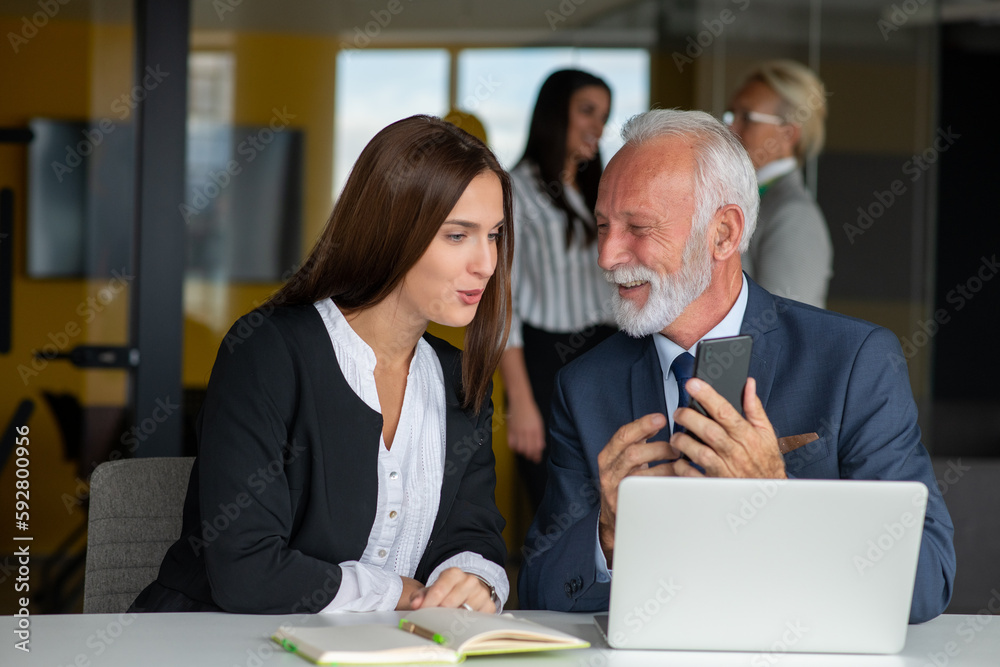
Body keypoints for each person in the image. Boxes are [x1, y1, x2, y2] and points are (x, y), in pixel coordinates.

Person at [518, 109, 955, 624]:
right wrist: (607, 535)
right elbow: (541, 592)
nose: (608, 256)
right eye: (604, 226)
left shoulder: (854, 362)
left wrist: (778, 504)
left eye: (638, 228)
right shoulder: (584, 385)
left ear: (724, 234)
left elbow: (928, 580)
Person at [130, 115, 513, 614]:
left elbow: (473, 532)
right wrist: (399, 593)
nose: (486, 263)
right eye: (458, 235)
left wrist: (472, 581)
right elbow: (246, 570)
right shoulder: (266, 353)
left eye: (495, 234)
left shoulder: (461, 379)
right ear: (393, 229)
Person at [501, 69, 618, 511]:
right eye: (587, 111)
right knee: (559, 510)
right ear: (553, 114)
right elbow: (503, 301)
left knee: (610, 507)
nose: (599, 127)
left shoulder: (600, 190)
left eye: (604, 116)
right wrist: (522, 403)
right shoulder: (514, 190)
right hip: (549, 362)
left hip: (610, 355)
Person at [725, 60, 833, 308]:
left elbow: (783, 326)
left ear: (788, 134)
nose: (730, 127)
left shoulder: (794, 215)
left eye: (746, 117)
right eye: (730, 114)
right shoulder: (748, 196)